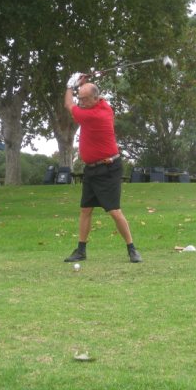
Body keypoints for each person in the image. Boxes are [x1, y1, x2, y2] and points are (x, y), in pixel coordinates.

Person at [62, 72, 142, 263]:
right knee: (85, 209)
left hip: (109, 169)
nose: (80, 102)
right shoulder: (103, 104)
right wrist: (82, 84)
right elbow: (87, 95)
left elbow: (68, 104)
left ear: (95, 99)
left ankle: (132, 249)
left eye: (84, 99)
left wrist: (70, 86)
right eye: (79, 98)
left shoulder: (93, 115)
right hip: (91, 169)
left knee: (114, 210)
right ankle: (81, 250)